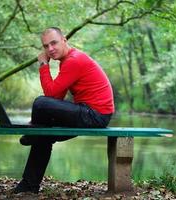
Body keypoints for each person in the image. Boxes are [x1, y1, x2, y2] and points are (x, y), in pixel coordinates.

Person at [13, 27, 115, 194]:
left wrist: (43, 65)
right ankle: (28, 186)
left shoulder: (74, 60)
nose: (50, 49)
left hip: (95, 115)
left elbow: (49, 96)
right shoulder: (67, 61)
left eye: (53, 43)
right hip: (87, 112)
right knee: (43, 134)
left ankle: (34, 133)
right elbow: (56, 98)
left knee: (40, 103)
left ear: (64, 40)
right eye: (46, 46)